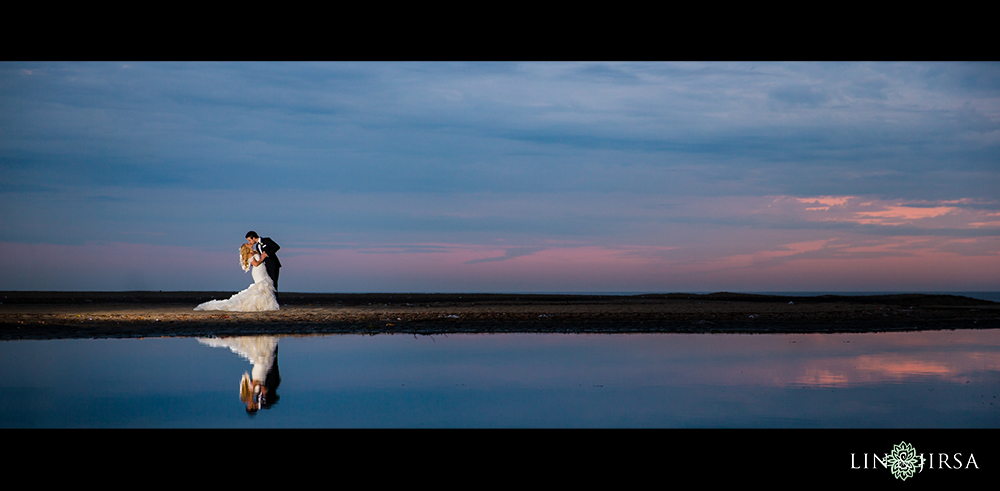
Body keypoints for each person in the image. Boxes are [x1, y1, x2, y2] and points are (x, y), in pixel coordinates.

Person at [194, 243, 279, 311]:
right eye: (247, 244)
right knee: (261, 286)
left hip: (263, 270)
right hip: (258, 271)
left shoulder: (256, 251)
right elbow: (255, 264)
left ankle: (265, 303)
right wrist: (262, 258)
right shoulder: (249, 254)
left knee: (266, 286)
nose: (249, 243)